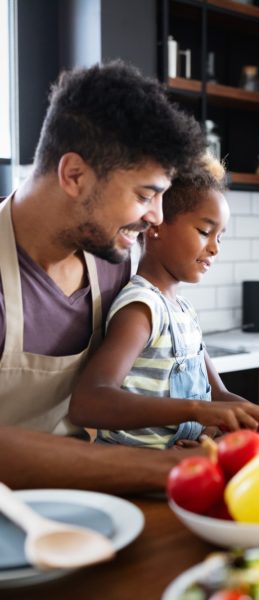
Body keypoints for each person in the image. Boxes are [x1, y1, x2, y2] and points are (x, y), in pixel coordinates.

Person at [0, 61, 224, 492]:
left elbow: (125, 395)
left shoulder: (111, 261)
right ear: (74, 176)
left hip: (76, 501)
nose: (156, 217)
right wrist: (173, 471)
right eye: (146, 195)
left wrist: (191, 439)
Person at [69, 155, 259, 447]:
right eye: (205, 232)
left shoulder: (183, 311)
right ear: (155, 226)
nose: (215, 248)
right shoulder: (142, 307)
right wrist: (198, 411)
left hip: (180, 469)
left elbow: (219, 397)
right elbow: (89, 401)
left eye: (221, 236)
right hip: (135, 471)